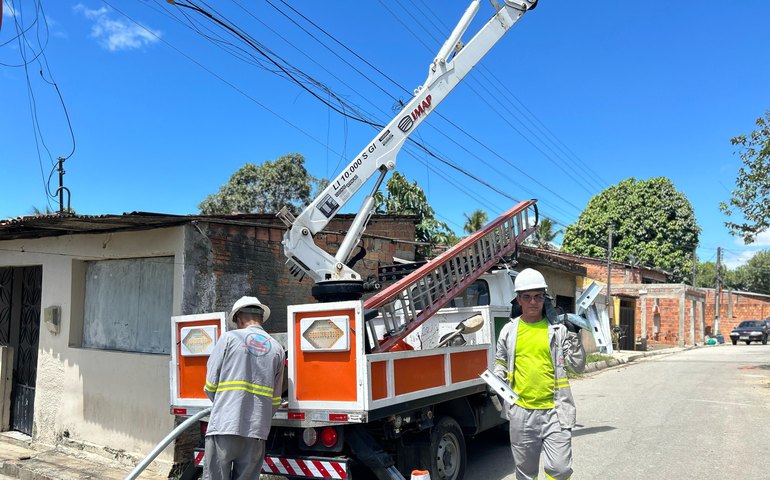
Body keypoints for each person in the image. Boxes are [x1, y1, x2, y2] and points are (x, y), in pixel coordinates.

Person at [494, 268, 585, 480]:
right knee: (526, 473)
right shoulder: (509, 330)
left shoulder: (558, 330)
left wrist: (573, 335)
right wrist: (497, 377)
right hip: (521, 412)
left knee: (561, 469)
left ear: (544, 298)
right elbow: (500, 361)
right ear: (518, 300)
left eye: (538, 296)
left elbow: (577, 367)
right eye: (527, 297)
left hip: (555, 410)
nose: (533, 302)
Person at [203, 296, 285, 480]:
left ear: (239, 318)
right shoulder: (277, 348)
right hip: (256, 432)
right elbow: (275, 400)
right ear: (261, 319)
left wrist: (227, 405)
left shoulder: (229, 339)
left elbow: (210, 385)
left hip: (225, 426)